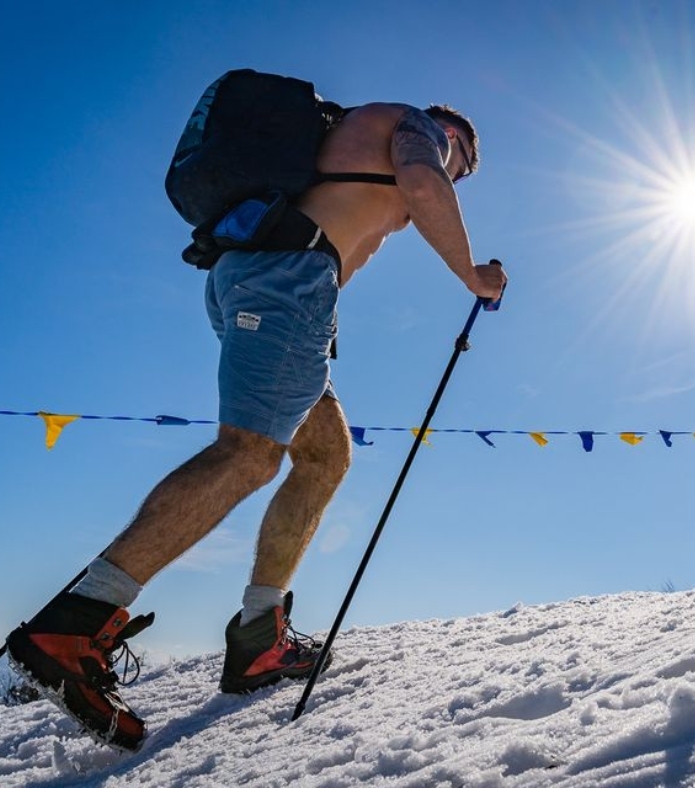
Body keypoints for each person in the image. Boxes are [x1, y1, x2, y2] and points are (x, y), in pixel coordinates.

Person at [5, 101, 507, 751]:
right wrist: (473, 275)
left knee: (325, 456)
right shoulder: (421, 128)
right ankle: (75, 622)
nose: (454, 172)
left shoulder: (351, 131)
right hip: (289, 281)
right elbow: (422, 181)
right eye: (461, 165)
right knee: (249, 453)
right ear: (453, 137)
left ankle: (258, 638)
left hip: (272, 281)